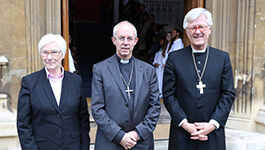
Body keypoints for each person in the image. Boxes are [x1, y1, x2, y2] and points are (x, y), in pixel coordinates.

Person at [163, 8, 236, 150]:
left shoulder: (222, 58)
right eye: (192, 28)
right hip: (182, 133)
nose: (197, 32)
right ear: (187, 32)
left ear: (209, 29)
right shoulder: (174, 58)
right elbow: (169, 95)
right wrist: (186, 125)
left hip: (212, 133)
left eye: (201, 27)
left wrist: (213, 124)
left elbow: (228, 94)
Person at [91, 21, 161, 150]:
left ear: (136, 41)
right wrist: (119, 136)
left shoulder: (148, 70)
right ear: (113, 40)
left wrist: (137, 133)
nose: (125, 42)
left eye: (130, 38)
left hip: (140, 143)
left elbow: (155, 107)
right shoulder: (100, 69)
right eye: (121, 38)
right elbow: (97, 109)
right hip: (110, 142)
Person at [17, 34, 90, 150]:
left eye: (54, 52)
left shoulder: (76, 81)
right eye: (45, 52)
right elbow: (23, 124)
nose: (49, 57)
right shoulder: (29, 83)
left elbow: (83, 119)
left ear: (62, 54)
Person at [153, 32, 172, 98]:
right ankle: (159, 92)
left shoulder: (170, 47)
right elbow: (155, 59)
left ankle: (162, 93)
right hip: (159, 68)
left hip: (164, 67)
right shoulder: (159, 50)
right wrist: (155, 63)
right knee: (158, 80)